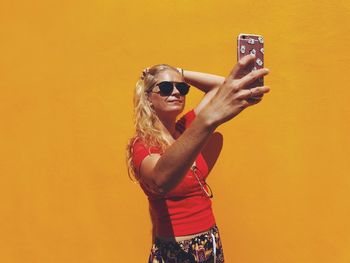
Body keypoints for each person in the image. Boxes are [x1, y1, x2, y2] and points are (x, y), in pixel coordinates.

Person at [126, 54, 270, 262]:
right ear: (148, 97)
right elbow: (160, 180)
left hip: (210, 242)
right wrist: (208, 121)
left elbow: (223, 87)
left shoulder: (185, 128)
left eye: (181, 88)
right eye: (166, 88)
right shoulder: (142, 145)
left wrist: (179, 72)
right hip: (175, 252)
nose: (176, 92)